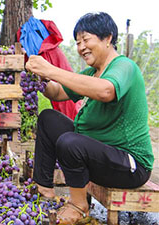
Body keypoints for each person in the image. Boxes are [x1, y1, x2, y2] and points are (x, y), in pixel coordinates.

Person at [26, 12, 153, 224]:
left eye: (86, 40)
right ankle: (44, 190)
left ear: (108, 38)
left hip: (130, 165)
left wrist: (52, 69)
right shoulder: (93, 72)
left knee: (70, 142)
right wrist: (42, 79)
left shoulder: (124, 67)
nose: (81, 47)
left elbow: (105, 91)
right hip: (99, 154)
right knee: (48, 119)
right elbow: (57, 93)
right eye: (77, 42)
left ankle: (79, 205)